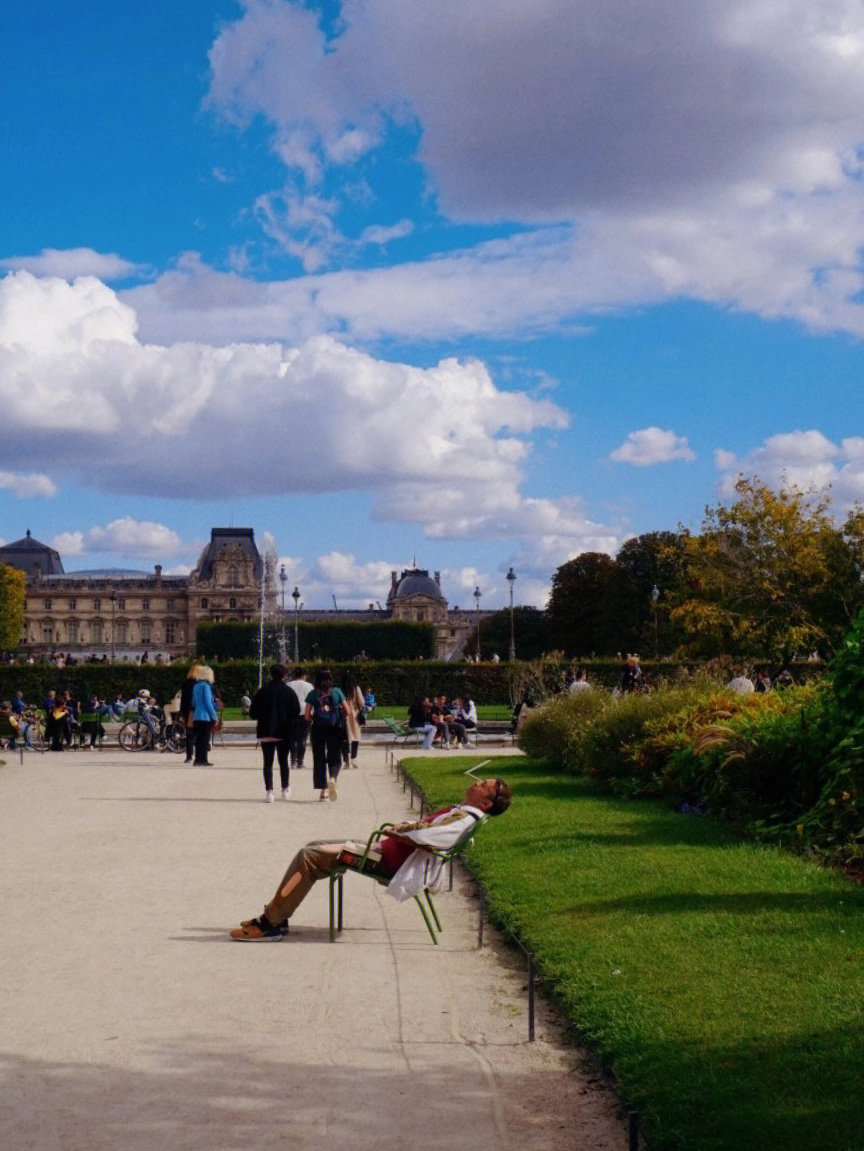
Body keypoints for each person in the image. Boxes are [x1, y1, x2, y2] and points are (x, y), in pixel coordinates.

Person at [229, 777, 513, 941]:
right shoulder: (466, 814)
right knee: (315, 849)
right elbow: (427, 833)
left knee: (309, 855)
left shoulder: (463, 818)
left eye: (483, 784)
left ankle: (271, 922)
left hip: (389, 863)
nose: (476, 782)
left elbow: (428, 837)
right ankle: (278, 914)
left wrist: (398, 830)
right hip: (388, 853)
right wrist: (402, 830)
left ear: (485, 802)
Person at [249, 665, 300, 803]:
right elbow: (296, 712)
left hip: (266, 731)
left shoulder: (262, 692)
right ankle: (285, 787)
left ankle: (269, 791)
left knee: (267, 762)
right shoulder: (289, 692)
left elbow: (253, 713)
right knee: (283, 761)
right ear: (284, 675)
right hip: (283, 731)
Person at [305, 669, 349, 801]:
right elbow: (347, 711)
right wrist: (339, 718)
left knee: (319, 758)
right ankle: (333, 778)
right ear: (330, 679)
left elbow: (307, 715)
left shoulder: (313, 694)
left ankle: (323, 791)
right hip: (335, 729)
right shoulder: (336, 692)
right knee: (334, 756)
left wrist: (314, 718)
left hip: (318, 729)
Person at [190, 664, 219, 766]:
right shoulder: (206, 686)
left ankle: (197, 759)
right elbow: (208, 703)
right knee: (205, 739)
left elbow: (193, 702)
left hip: (197, 716)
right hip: (205, 716)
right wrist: (214, 717)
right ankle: (203, 759)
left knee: (199, 740)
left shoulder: (196, 686)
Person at [285, 667, 314, 768]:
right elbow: (312, 700)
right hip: (304, 713)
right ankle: (300, 761)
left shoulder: (288, 685)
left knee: (292, 739)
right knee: (302, 739)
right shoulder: (309, 685)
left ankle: (293, 760)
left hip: (291, 714)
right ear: (304, 675)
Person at [340, 671, 365, 768]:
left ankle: (346, 761)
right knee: (355, 738)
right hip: (354, 714)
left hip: (343, 714)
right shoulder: (356, 688)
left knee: (344, 739)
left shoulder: (341, 689)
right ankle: (353, 759)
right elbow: (361, 702)